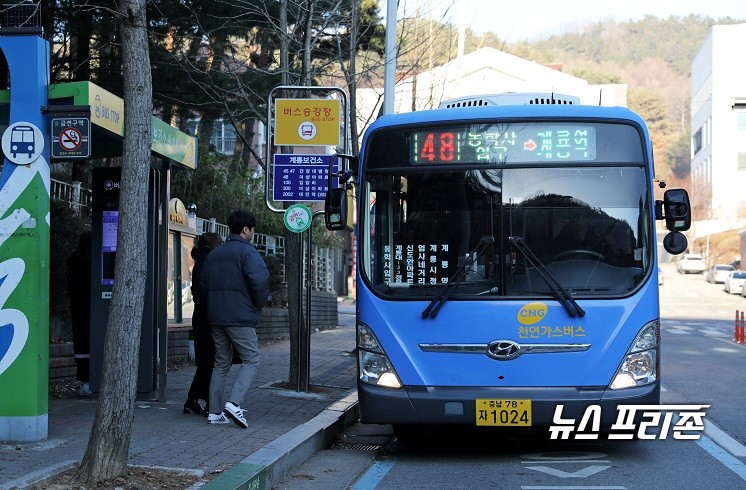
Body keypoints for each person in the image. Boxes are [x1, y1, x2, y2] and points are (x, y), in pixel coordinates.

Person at [201, 210, 270, 427]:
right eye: (252, 229)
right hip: (240, 317)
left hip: (216, 316)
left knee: (221, 363)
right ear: (246, 229)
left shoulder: (214, 254)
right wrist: (257, 305)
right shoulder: (248, 253)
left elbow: (203, 285)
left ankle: (214, 412)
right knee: (251, 359)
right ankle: (234, 403)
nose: (252, 233)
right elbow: (260, 283)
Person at [183, 232, 223, 417]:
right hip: (207, 317)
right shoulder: (207, 261)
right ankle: (199, 399)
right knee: (210, 361)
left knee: (208, 361)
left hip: (203, 316)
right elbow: (203, 291)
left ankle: (198, 399)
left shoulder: (202, 260)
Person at [66, 230, 92, 396]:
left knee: (82, 346)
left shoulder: (73, 261)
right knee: (91, 344)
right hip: (90, 310)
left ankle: (84, 381)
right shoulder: (91, 262)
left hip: (78, 310)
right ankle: (89, 381)